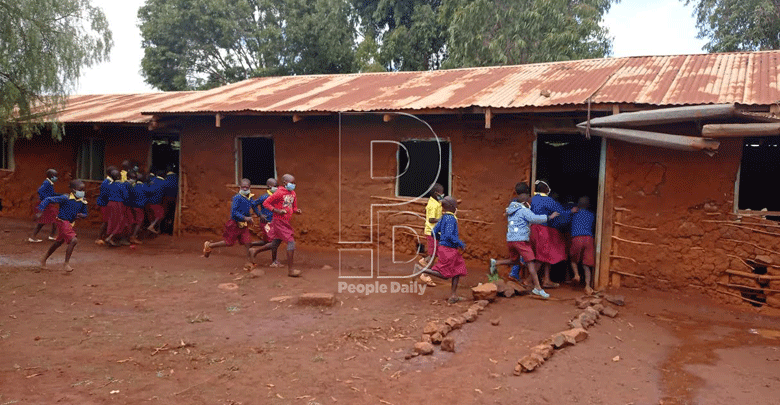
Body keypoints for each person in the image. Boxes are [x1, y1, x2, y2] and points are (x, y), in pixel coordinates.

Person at [489, 189, 559, 298]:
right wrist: (550, 217)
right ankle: (538, 288)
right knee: (531, 264)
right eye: (529, 201)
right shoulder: (523, 210)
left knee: (514, 260)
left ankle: (495, 263)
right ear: (526, 202)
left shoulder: (511, 210)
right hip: (521, 240)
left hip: (511, 239)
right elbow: (534, 218)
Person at [415, 196, 467, 304]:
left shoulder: (443, 218)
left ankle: (453, 295)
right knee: (444, 274)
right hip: (449, 249)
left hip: (446, 248)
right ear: (453, 207)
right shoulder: (451, 219)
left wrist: (441, 241)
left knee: (458, 269)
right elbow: (448, 235)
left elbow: (434, 231)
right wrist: (460, 243)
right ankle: (421, 270)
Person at [249, 174, 303, 277]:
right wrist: (276, 210)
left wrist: (297, 211)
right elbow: (266, 203)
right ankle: (291, 270)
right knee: (291, 242)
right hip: (279, 221)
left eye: (294, 183)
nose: (293, 185)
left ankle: (254, 250)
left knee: (275, 243)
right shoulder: (279, 193)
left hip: (285, 221)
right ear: (285, 183)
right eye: (291, 183)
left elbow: (293, 207)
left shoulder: (293, 193)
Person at [203, 178, 261, 268]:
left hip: (243, 224)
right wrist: (246, 218)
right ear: (239, 187)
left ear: (250, 187)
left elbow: (254, 206)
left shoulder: (250, 197)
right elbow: (234, 213)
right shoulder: (237, 198)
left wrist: (259, 215)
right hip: (234, 224)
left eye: (246, 187)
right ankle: (210, 245)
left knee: (247, 242)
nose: (245, 189)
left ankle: (249, 262)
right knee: (228, 242)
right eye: (243, 187)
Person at [530, 180, 577, 289]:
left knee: (541, 255)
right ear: (545, 190)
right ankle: (529, 281)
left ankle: (546, 280)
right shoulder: (547, 200)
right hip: (542, 229)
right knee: (542, 256)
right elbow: (560, 212)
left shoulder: (532, 199)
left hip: (531, 229)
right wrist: (571, 211)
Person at [37, 179, 88, 272]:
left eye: (83, 190)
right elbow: (48, 199)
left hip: (70, 224)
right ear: (73, 190)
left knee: (59, 242)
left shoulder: (83, 201)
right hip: (62, 222)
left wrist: (81, 215)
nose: (82, 192)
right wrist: (41, 210)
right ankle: (66, 264)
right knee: (74, 240)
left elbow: (85, 213)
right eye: (80, 190)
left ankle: (43, 258)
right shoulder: (65, 198)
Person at [250, 178, 281, 267]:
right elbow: (254, 204)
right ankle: (273, 261)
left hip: (273, 222)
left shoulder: (276, 197)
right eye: (275, 186)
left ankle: (250, 245)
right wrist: (260, 214)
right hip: (267, 222)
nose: (277, 188)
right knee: (273, 242)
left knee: (266, 241)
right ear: (269, 187)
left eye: (277, 186)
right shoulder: (264, 197)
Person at [569, 196, 596, 295]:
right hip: (589, 238)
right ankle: (587, 286)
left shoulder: (574, 214)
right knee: (586, 264)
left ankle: (576, 275)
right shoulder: (592, 214)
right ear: (588, 205)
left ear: (578, 205)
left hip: (577, 238)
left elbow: (567, 222)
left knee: (573, 260)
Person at [418, 183, 444, 268]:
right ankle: (425, 273)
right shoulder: (432, 205)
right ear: (435, 194)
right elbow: (431, 219)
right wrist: (441, 219)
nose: (442, 195)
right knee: (433, 254)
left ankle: (425, 263)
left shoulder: (437, 202)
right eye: (441, 194)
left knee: (435, 253)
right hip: (431, 232)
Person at [29, 169, 59, 243]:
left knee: (55, 218)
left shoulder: (49, 183)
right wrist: (46, 199)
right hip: (46, 204)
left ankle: (52, 235)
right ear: (52, 176)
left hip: (48, 204)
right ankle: (33, 236)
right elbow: (40, 191)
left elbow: (51, 194)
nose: (57, 177)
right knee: (43, 221)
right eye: (56, 176)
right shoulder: (47, 183)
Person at [104, 169, 130, 247]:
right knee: (120, 221)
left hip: (110, 203)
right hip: (118, 204)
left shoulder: (110, 184)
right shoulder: (121, 185)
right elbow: (126, 196)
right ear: (119, 176)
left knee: (112, 220)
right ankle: (110, 237)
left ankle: (111, 237)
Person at [95, 166, 117, 245]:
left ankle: (103, 236)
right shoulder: (107, 182)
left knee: (107, 221)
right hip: (105, 203)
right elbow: (105, 195)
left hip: (106, 203)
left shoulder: (109, 182)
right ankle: (99, 237)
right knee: (106, 221)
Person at [125, 172, 147, 244]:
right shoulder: (144, 187)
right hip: (139, 207)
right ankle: (133, 237)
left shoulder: (133, 186)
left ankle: (130, 236)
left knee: (133, 221)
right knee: (139, 222)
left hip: (133, 206)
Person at [145, 170, 166, 234]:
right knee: (160, 214)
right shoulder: (163, 182)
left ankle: (152, 227)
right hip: (156, 202)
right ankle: (152, 226)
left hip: (147, 201)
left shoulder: (152, 180)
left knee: (151, 215)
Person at [162, 164, 178, 234]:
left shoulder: (165, 178)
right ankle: (170, 230)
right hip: (174, 198)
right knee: (172, 215)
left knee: (165, 214)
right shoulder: (176, 177)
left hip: (166, 199)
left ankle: (163, 230)